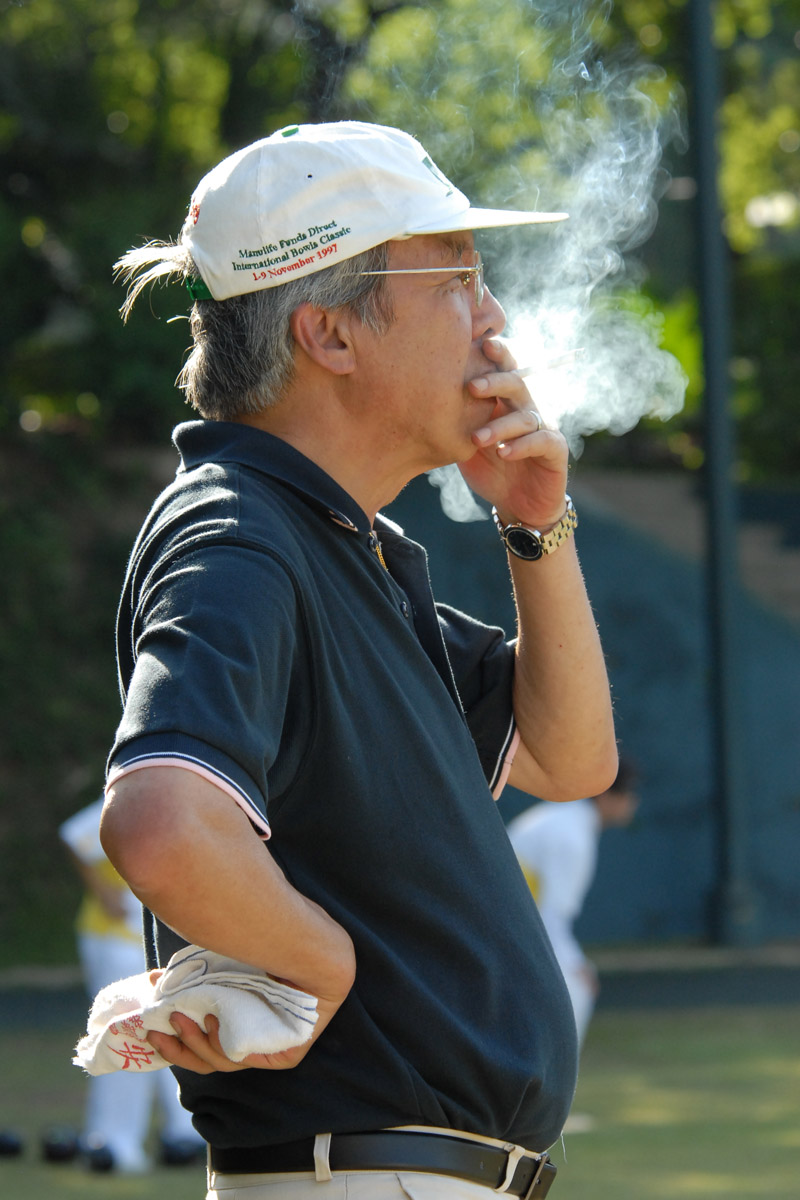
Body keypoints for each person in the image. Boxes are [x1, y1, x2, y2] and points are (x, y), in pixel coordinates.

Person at [99, 120, 618, 1200]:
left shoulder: (333, 545)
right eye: (456, 279)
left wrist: (536, 524)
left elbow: (569, 759)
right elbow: (160, 824)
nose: (492, 315)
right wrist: (319, 962)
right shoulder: (239, 534)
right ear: (331, 335)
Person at [60, 797, 206, 1173]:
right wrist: (104, 892)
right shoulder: (135, 792)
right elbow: (74, 835)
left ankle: (184, 1132)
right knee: (126, 1031)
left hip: (157, 942)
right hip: (116, 940)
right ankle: (114, 1140)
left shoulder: (191, 795)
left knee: (170, 1027)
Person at [507, 764, 639, 1048]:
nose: (633, 802)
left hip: (508, 926)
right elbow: (551, 916)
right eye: (627, 793)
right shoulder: (572, 836)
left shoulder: (568, 820)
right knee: (576, 988)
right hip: (503, 930)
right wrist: (575, 964)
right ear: (604, 796)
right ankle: (556, 1073)